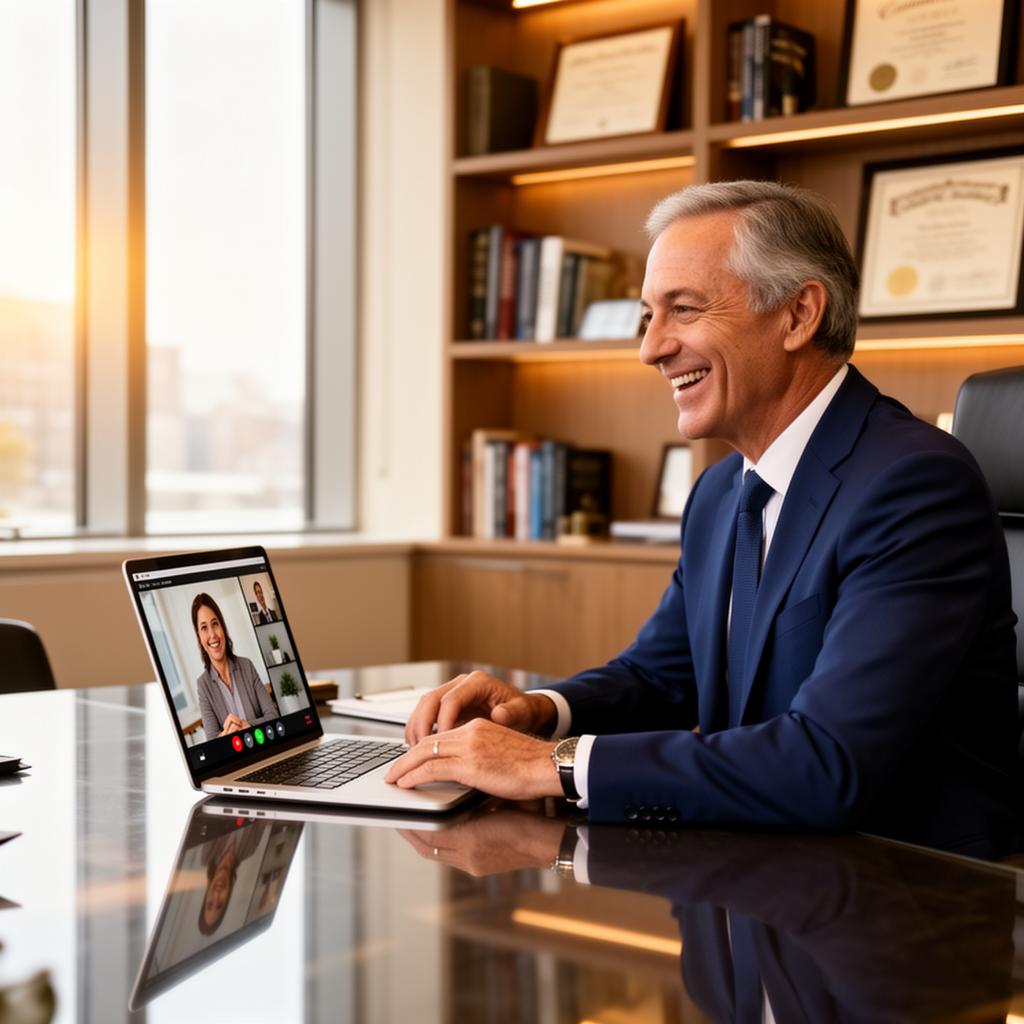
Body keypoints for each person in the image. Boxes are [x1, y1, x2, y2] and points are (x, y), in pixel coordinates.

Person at [387, 180, 1022, 857]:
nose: (651, 348)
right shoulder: (722, 492)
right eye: (646, 316)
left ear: (799, 314)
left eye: (682, 310)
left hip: (910, 898)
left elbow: (828, 762)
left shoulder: (914, 483)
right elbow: (663, 677)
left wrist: (551, 767)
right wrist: (541, 712)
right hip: (763, 877)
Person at [193, 593, 279, 738]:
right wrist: (227, 734)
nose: (212, 634)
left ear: (223, 627)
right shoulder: (203, 685)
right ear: (199, 637)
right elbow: (212, 741)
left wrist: (248, 726)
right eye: (204, 628)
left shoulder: (247, 666)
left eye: (215, 624)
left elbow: (273, 715)